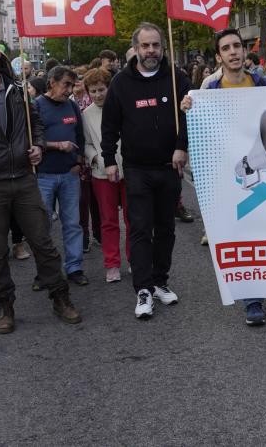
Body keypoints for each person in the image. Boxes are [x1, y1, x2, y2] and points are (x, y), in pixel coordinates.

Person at [0, 33, 80, 333]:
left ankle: (61, 298)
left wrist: (39, 146)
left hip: (24, 180)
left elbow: (37, 125)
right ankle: (4, 307)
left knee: (44, 244)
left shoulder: (19, 90)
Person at [184, 29, 266, 326]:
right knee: (244, 236)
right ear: (219, 56)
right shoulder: (210, 90)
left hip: (265, 173)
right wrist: (190, 108)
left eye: (237, 46)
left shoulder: (262, 82)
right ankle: (252, 299)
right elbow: (201, 131)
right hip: (228, 175)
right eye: (227, 48)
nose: (234, 52)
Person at [100, 23, 190, 319]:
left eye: (156, 45)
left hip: (169, 167)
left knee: (166, 228)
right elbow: (109, 124)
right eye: (145, 46)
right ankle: (143, 288)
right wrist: (109, 158)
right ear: (136, 48)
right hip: (136, 169)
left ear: (163, 47)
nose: (151, 51)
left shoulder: (177, 78)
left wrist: (182, 146)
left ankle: (160, 281)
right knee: (140, 229)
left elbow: (189, 117)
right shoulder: (121, 83)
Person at [35, 65, 89, 286]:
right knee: (41, 227)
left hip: (69, 175)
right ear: (52, 83)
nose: (69, 89)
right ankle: (45, 273)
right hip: (43, 176)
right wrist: (57, 145)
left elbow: (80, 136)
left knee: (72, 223)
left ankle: (74, 267)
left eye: (72, 84)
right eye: (66, 84)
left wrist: (78, 161)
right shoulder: (36, 106)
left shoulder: (72, 107)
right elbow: (30, 140)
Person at [82, 68, 130, 283]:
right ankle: (112, 264)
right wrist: (95, 159)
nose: (98, 95)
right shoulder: (86, 114)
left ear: (110, 88)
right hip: (101, 174)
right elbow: (87, 143)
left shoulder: (123, 105)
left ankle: (134, 258)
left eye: (102, 89)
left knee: (133, 219)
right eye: (93, 91)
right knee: (108, 220)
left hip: (128, 170)